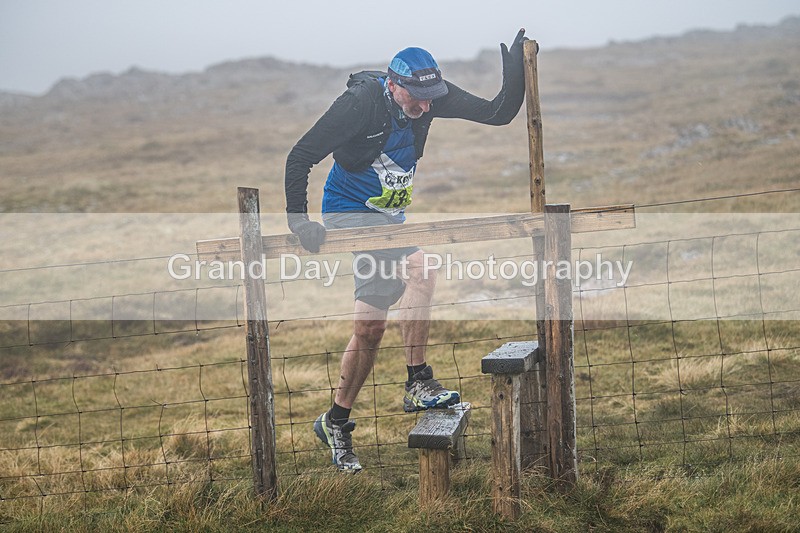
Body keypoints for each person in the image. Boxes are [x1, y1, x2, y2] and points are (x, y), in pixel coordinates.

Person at [284, 29, 529, 472]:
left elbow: (498, 113)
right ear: (393, 85)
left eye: (432, 98)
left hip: (388, 221)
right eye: (417, 99)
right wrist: (299, 221)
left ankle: (335, 420)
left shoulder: (428, 92)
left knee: (369, 328)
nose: (426, 107)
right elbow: (300, 156)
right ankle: (419, 381)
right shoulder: (361, 103)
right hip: (349, 213)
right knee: (422, 267)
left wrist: (515, 72)